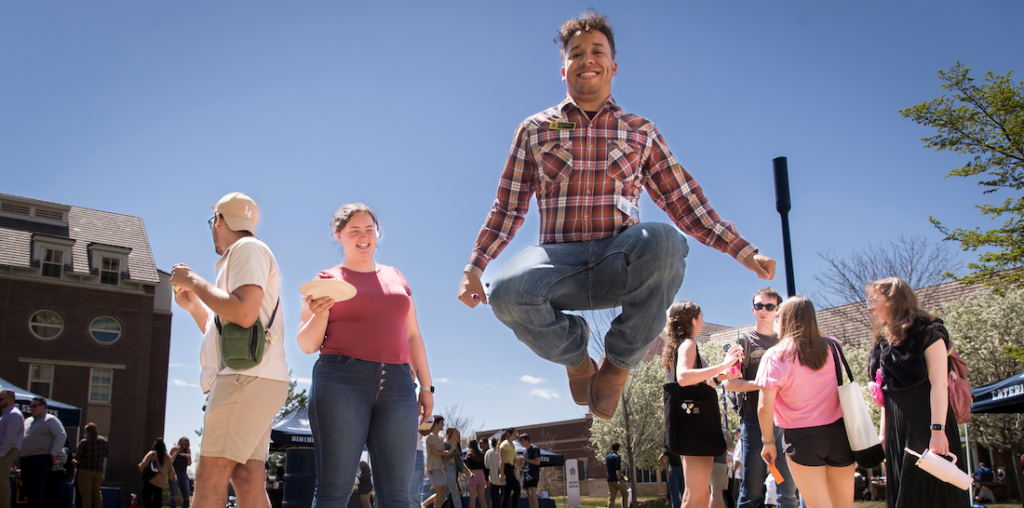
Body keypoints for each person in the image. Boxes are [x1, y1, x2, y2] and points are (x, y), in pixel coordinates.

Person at [456, 10, 776, 421]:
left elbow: (685, 200)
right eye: (576, 53)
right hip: (560, 264)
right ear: (563, 67)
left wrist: (743, 251)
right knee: (504, 289)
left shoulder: (640, 131)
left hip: (618, 260)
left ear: (613, 64)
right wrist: (474, 265)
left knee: (662, 239)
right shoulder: (535, 129)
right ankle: (576, 356)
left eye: (597, 51)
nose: (587, 59)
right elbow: (508, 205)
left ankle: (617, 365)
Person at [296, 203, 434, 508]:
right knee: (334, 490)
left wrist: (426, 386)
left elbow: (412, 334)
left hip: (399, 385)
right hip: (341, 381)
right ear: (338, 236)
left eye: (370, 230)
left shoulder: (396, 276)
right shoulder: (325, 280)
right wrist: (320, 315)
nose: (364, 236)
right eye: (354, 230)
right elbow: (306, 344)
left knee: (398, 495)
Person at [171, 192, 291, 508]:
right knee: (247, 478)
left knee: (210, 479)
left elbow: (243, 313)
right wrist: (197, 307)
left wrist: (194, 281)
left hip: (243, 381)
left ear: (219, 221)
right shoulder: (250, 251)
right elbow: (234, 333)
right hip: (260, 380)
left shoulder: (246, 249)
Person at [866, 277, 971, 508]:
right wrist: (883, 436)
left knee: (937, 494)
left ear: (893, 299)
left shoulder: (928, 331)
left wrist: (938, 430)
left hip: (928, 422)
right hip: (897, 428)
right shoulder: (882, 341)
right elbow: (887, 394)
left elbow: (939, 384)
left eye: (873, 300)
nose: (870, 307)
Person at [755, 296, 856, 508]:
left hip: (802, 438)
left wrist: (768, 443)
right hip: (840, 434)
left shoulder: (775, 356)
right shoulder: (833, 346)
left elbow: (764, 408)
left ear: (784, 319)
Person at [661, 302, 742, 508]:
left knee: (695, 494)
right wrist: (723, 364)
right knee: (698, 496)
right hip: (696, 428)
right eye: (701, 317)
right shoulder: (688, 344)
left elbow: (695, 386)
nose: (703, 322)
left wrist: (718, 377)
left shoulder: (678, 346)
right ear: (693, 320)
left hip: (689, 426)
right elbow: (684, 377)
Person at [723, 288, 798, 508]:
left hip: (783, 424)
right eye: (759, 306)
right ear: (753, 309)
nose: (763, 310)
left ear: (777, 311)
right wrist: (765, 384)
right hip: (754, 424)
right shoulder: (743, 342)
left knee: (787, 488)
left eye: (769, 306)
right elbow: (730, 383)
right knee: (752, 489)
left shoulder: (785, 341)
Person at [20, 397, 66, 508]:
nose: (32, 408)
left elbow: (61, 435)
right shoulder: (27, 420)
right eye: (31, 406)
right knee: (27, 487)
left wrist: (54, 452)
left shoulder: (51, 419)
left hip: (41, 458)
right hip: (25, 458)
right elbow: (21, 438)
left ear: (43, 406)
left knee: (35, 487)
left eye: (34, 406)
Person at [0, 389, 25, 508]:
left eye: (1, 399)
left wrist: (1, 453)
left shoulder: (13, 414)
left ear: (10, 400)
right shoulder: (6, 414)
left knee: (1, 481)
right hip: (5, 451)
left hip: (6, 451)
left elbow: (10, 437)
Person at [74, 423, 108, 508]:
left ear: (88, 432)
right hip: (98, 471)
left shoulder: (84, 442)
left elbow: (77, 458)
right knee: (97, 493)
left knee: (86, 494)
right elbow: (106, 454)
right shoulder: (104, 441)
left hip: (85, 470)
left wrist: (74, 461)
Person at [138, 438, 176, 508]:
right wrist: (174, 477)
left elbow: (143, 465)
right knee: (157, 499)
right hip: (160, 483)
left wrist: (140, 467)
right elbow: (171, 472)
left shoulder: (152, 454)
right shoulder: (168, 458)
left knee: (146, 496)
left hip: (150, 480)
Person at [425, 417, 448, 508]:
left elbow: (442, 454)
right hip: (432, 467)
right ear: (436, 424)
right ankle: (424, 504)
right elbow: (435, 452)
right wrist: (445, 453)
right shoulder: (430, 436)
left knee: (442, 492)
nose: (443, 425)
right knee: (439, 492)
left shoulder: (440, 438)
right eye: (441, 423)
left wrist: (445, 464)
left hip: (440, 468)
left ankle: (424, 504)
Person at [710, 426, 735, 508]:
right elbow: (731, 448)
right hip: (720, 463)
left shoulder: (702, 427)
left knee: (716, 494)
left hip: (704, 464)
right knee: (716, 493)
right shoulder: (722, 431)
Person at [43, 438, 68, 508]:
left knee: (51, 494)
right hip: (59, 473)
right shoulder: (62, 450)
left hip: (54, 474)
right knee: (54, 494)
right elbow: (64, 461)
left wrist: (54, 462)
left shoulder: (55, 450)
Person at [499, 429, 521, 508]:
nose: (517, 435)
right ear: (509, 434)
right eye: (515, 433)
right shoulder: (505, 444)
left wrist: (518, 460)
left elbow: (512, 459)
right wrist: (501, 474)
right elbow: (502, 460)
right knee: (517, 488)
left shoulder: (513, 445)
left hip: (511, 468)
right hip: (505, 468)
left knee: (507, 493)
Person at [443, 428, 466, 504]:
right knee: (456, 492)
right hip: (447, 467)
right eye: (456, 432)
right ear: (451, 433)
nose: (457, 433)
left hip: (454, 468)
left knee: (444, 493)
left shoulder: (455, 445)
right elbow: (444, 455)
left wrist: (465, 470)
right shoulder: (445, 443)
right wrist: (452, 449)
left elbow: (458, 459)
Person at [169, 437, 193, 508]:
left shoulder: (187, 451)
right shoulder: (174, 449)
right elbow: (170, 461)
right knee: (174, 495)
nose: (183, 445)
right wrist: (177, 452)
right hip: (174, 472)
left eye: (185, 444)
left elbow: (189, 463)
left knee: (187, 496)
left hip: (183, 473)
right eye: (181, 444)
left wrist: (188, 458)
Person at [519, 434, 541, 508]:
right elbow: (526, 463)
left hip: (533, 474)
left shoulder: (535, 449)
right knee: (529, 496)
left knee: (532, 494)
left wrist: (526, 460)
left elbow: (537, 462)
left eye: (522, 441)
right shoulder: (525, 451)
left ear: (527, 440)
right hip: (526, 475)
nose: (521, 444)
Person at [465, 439, 488, 508]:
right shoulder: (481, 454)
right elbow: (485, 467)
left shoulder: (469, 454)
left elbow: (468, 467)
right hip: (481, 476)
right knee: (482, 499)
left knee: (472, 499)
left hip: (473, 476)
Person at [605, 443, 628, 508]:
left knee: (611, 497)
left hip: (610, 479)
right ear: (618, 449)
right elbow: (617, 469)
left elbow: (611, 468)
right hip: (616, 479)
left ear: (611, 448)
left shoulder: (607, 457)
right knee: (625, 494)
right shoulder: (617, 457)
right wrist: (619, 479)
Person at [484, 437, 504, 508]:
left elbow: (486, 466)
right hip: (503, 479)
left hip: (493, 479)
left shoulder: (488, 452)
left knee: (494, 500)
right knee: (505, 499)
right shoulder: (502, 452)